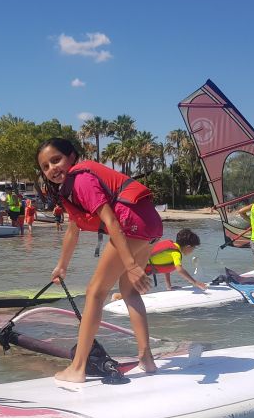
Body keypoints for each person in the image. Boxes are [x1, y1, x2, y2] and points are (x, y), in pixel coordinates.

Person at [37, 137, 162, 383]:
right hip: (149, 224)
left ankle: (78, 368)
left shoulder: (81, 180)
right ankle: (146, 357)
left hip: (131, 225)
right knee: (129, 291)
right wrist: (62, 266)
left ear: (72, 157)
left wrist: (131, 264)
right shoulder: (73, 186)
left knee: (95, 292)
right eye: (45, 166)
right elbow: (74, 229)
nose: (52, 168)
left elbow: (111, 221)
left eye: (56, 160)